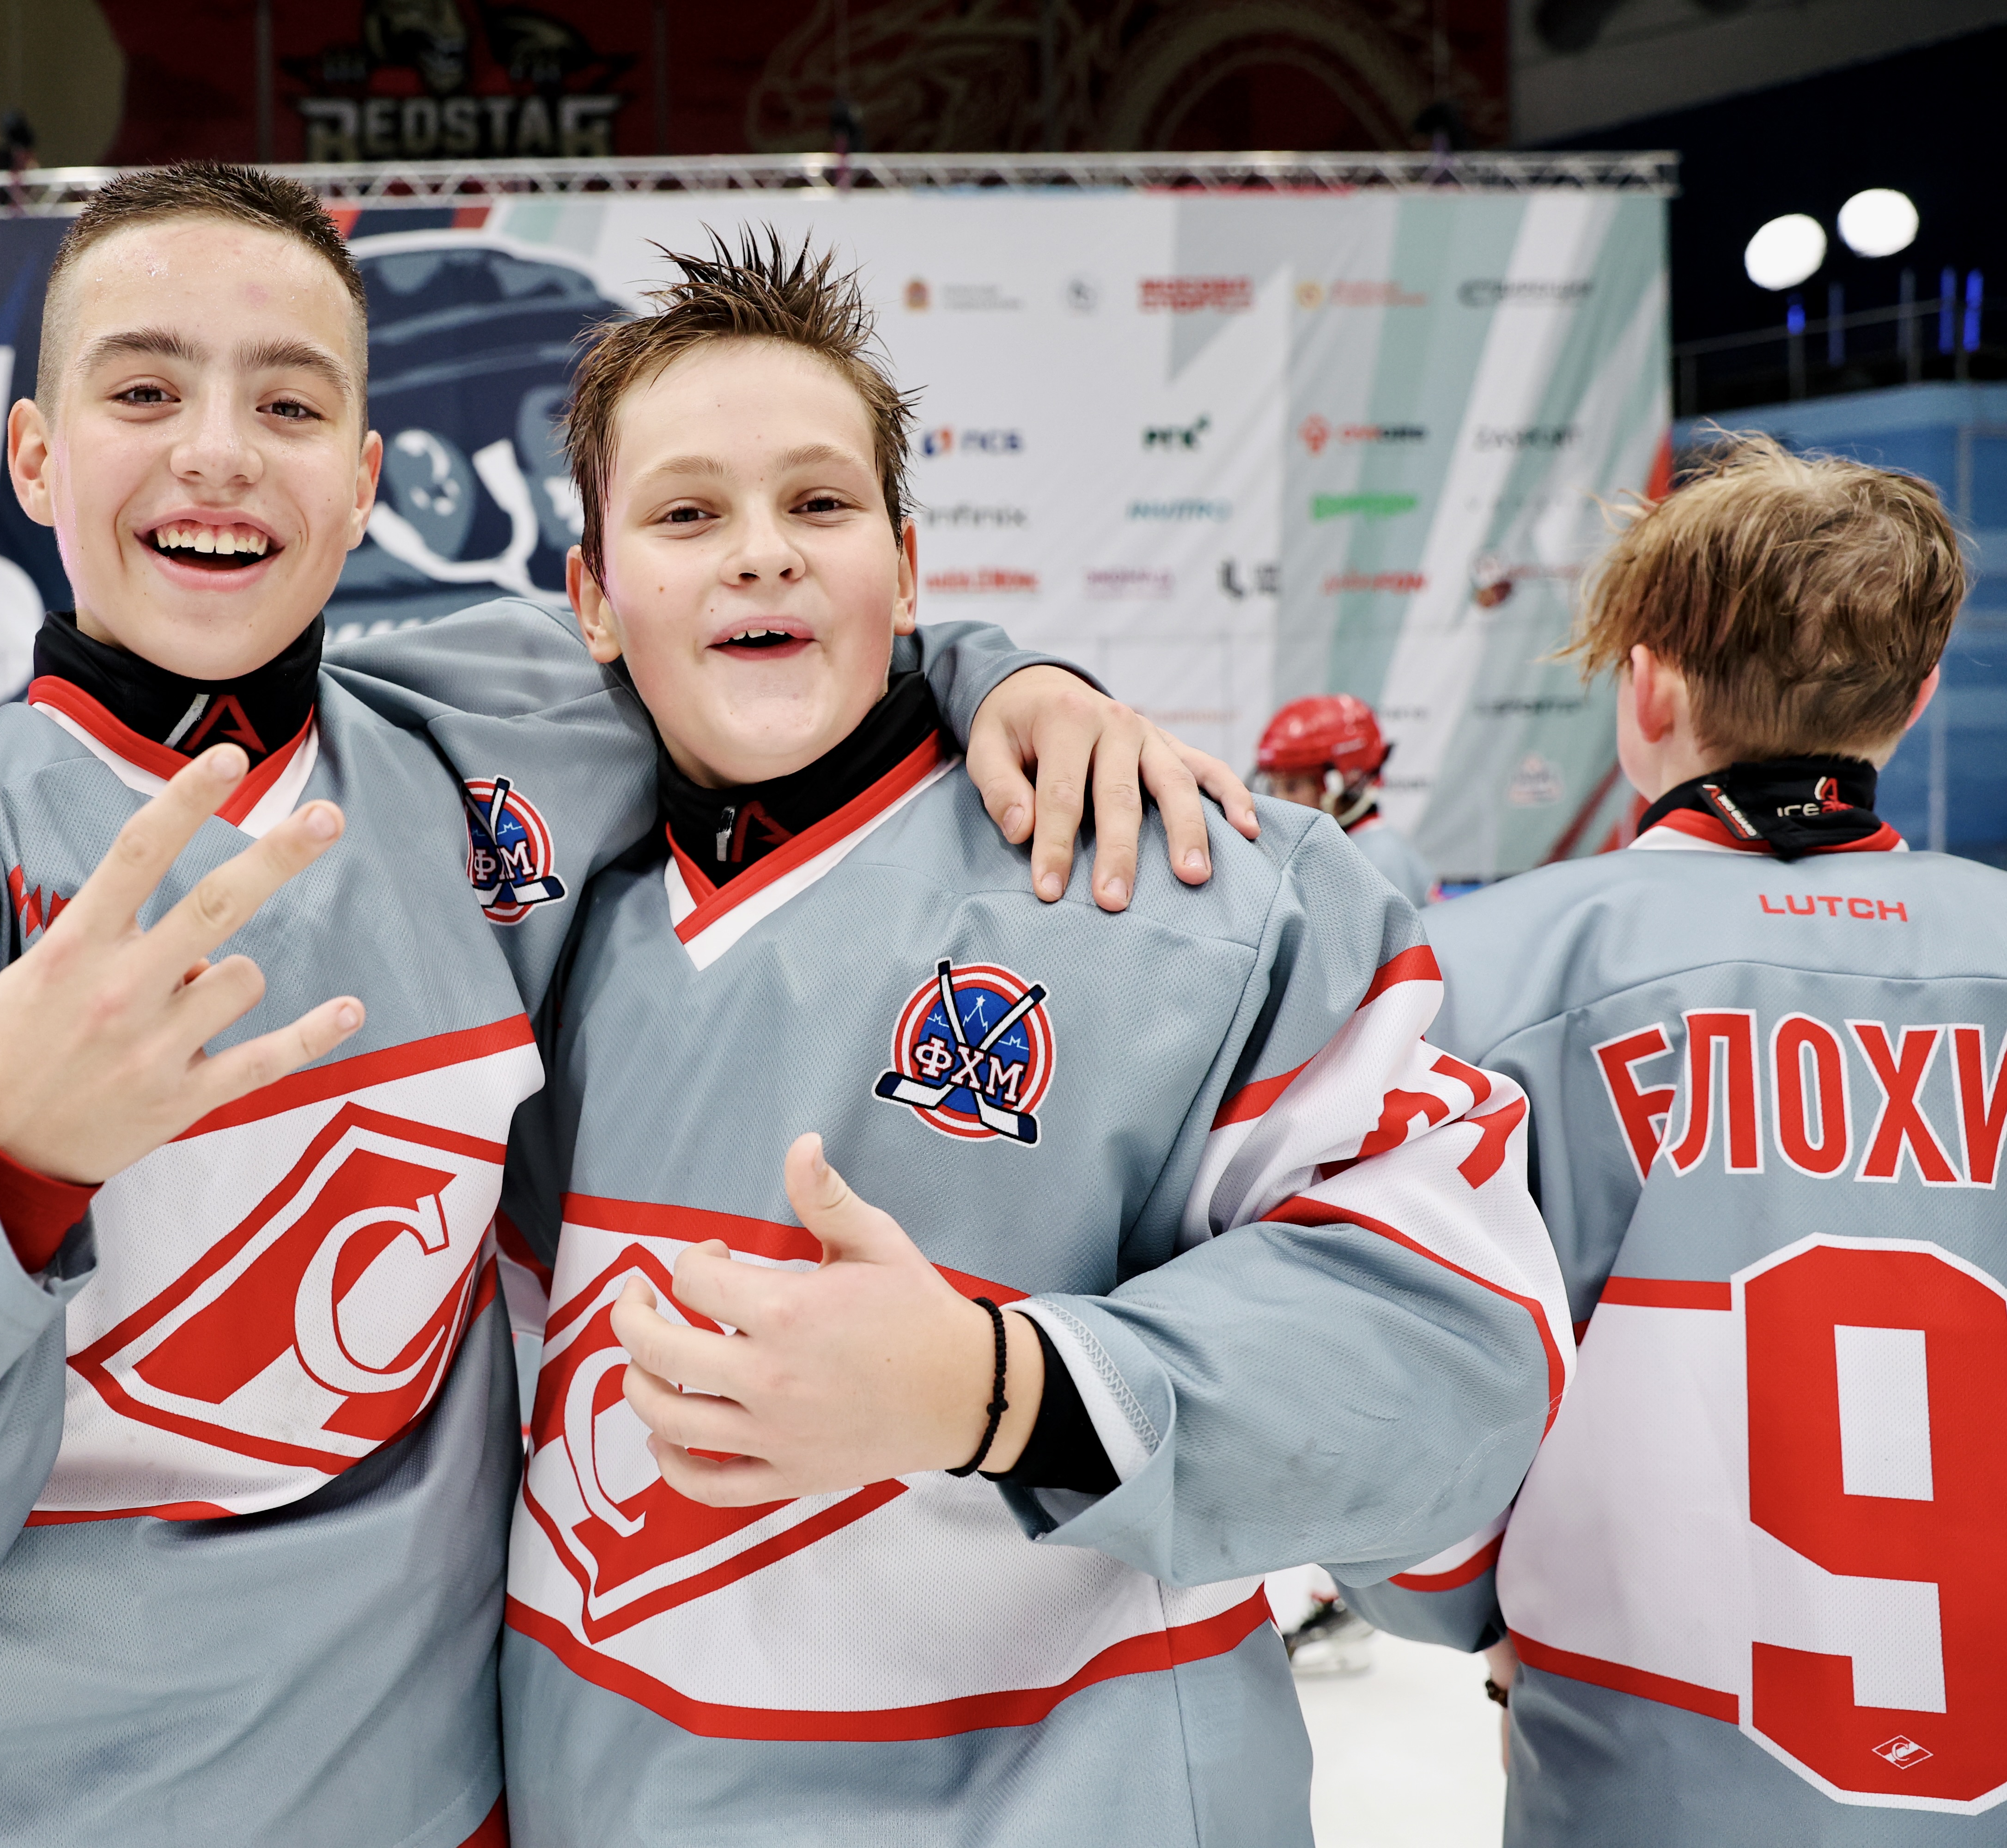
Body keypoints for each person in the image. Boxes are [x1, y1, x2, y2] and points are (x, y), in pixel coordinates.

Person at [0, 164, 1247, 1847]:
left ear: (359, 482)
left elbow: (767, 629)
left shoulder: (496, 753)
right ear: (36, 455)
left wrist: (1006, 676)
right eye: (145, 391)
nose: (217, 449)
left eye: (287, 403)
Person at [496, 230, 1570, 1846]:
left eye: (818, 504)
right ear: (592, 596)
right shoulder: (530, 912)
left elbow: (1462, 1369)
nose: (760, 554)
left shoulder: (1188, 887)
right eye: (686, 513)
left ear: (906, 569)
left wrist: (999, 1391)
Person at [1340, 434, 1997, 1843]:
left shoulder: (1481, 976)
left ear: (1644, 686)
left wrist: (1465, 1613)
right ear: (1919, 692)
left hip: (1652, 1768)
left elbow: (1394, 1401)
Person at [1255, 693, 1435, 906]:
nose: (1278, 799)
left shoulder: (1377, 859)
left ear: (1342, 782)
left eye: (1292, 787)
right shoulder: (1344, 847)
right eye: (1273, 787)